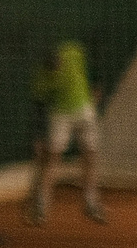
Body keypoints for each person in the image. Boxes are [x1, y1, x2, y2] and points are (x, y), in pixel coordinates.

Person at [28, 39, 107, 225]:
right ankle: (41, 207)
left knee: (91, 154)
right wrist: (39, 136)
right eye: (52, 67)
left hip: (85, 110)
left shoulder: (73, 52)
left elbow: (94, 66)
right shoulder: (40, 76)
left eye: (58, 63)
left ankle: (91, 202)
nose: (57, 68)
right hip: (60, 115)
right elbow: (38, 106)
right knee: (53, 157)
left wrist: (96, 87)